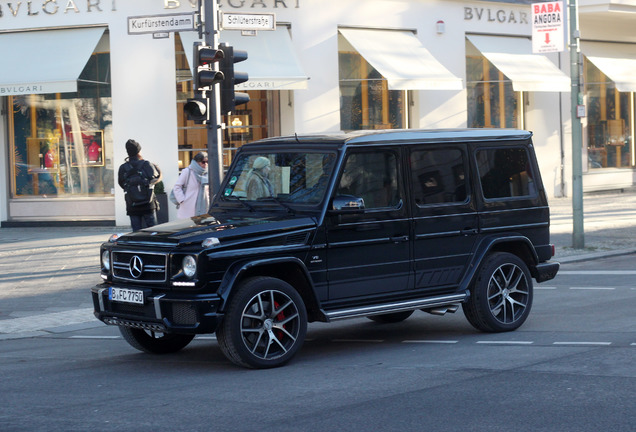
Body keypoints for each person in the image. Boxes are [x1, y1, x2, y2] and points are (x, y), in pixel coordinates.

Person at [117, 139, 162, 231]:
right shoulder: (146, 164)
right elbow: (155, 179)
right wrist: (158, 170)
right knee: (152, 231)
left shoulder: (123, 168)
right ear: (138, 151)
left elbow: (121, 184)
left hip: (132, 204)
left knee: (136, 232)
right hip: (148, 203)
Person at [172, 151, 210, 218]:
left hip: (204, 205)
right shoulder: (188, 171)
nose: (206, 164)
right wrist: (182, 200)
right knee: (188, 226)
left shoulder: (208, 173)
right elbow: (177, 186)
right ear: (197, 162)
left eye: (207, 162)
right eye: (203, 162)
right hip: (188, 206)